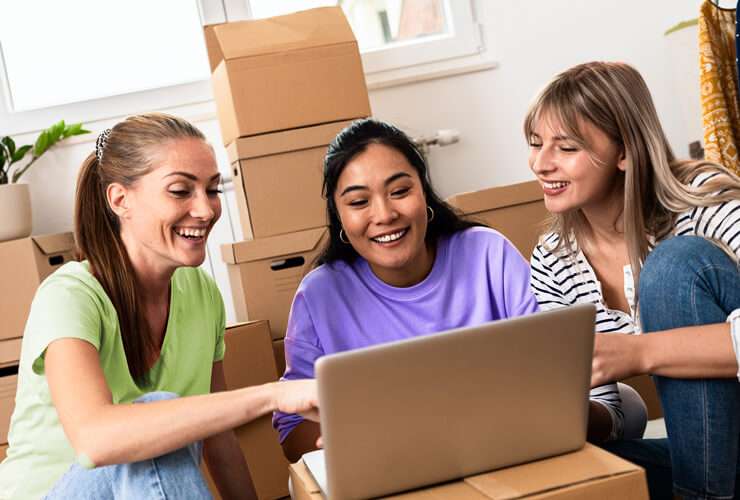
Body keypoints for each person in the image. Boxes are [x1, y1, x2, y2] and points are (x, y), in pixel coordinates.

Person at [0, 113, 318, 500]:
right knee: (148, 422)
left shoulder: (200, 292)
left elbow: (218, 438)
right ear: (120, 199)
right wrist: (271, 396)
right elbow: (95, 441)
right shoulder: (69, 296)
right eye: (181, 191)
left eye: (213, 190)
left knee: (160, 423)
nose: (205, 210)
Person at [525, 61, 740, 500]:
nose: (541, 164)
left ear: (626, 151)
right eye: (534, 144)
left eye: (565, 148)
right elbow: (615, 412)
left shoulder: (704, 201)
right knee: (566, 482)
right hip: (707, 457)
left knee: (671, 267)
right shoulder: (553, 258)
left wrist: (639, 352)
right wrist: (555, 414)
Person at [271, 118, 540, 462]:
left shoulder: (488, 253)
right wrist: (361, 438)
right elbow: (292, 432)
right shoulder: (319, 295)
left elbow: (550, 368)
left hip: (508, 451)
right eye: (358, 202)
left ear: (423, 191)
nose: (384, 215)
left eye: (399, 191)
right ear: (338, 217)